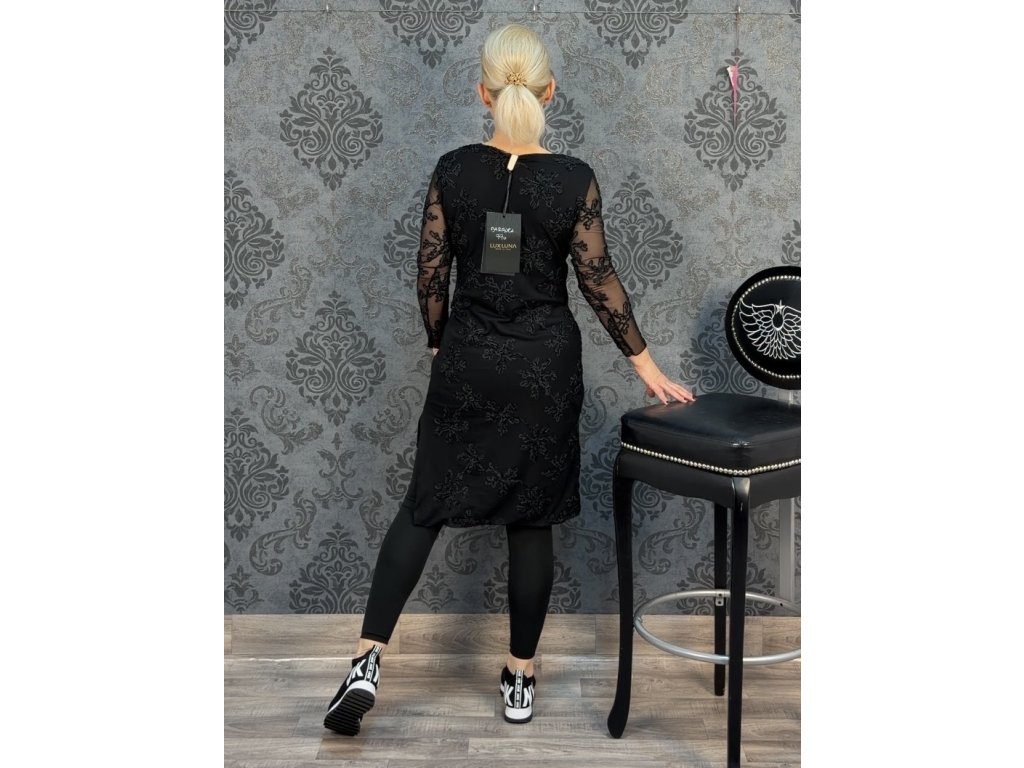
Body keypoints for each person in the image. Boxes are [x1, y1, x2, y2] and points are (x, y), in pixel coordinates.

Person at [323, 22, 694, 736]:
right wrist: (646, 366)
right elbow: (599, 280)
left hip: (469, 358)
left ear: (482, 93)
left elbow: (430, 270)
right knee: (531, 518)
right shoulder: (573, 178)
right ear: (550, 92)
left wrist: (440, 342)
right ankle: (520, 676)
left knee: (424, 507)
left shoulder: (453, 168)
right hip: (543, 369)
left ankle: (367, 660)